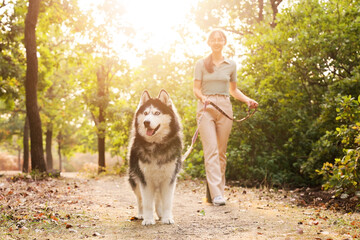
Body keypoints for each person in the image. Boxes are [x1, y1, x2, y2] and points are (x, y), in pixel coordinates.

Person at [193, 29, 258, 206]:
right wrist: (203, 98)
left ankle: (218, 192)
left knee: (221, 152)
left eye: (219, 39)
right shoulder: (201, 64)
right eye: (213, 39)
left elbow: (233, 90)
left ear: (224, 42)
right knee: (211, 150)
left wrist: (247, 100)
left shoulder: (231, 64)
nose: (216, 42)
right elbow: (196, 89)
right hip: (206, 107)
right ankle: (216, 195)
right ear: (209, 43)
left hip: (225, 106)